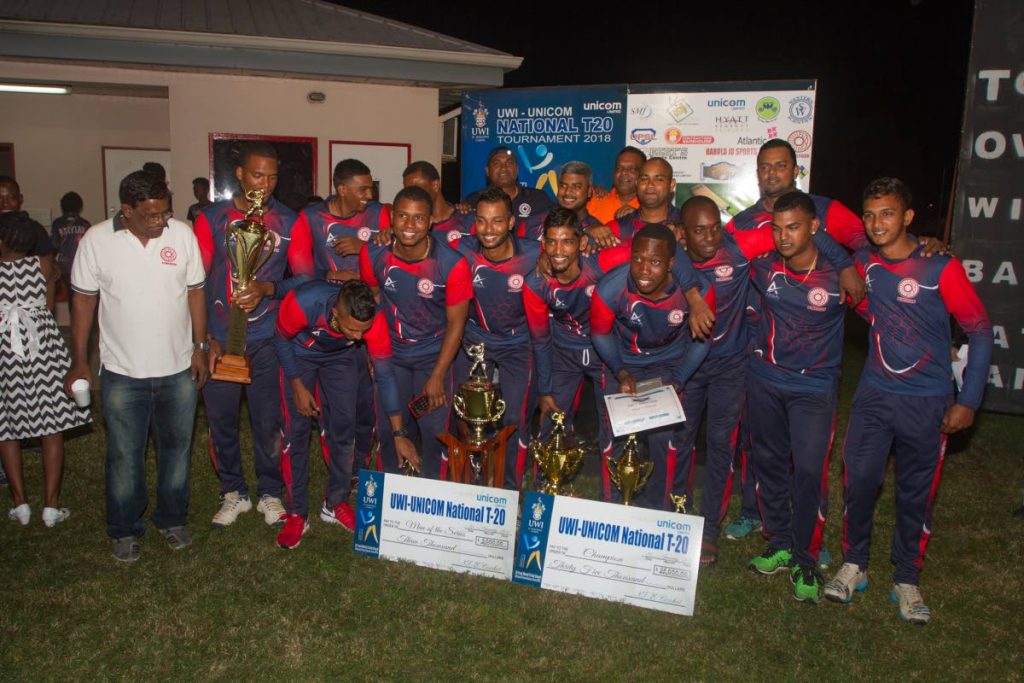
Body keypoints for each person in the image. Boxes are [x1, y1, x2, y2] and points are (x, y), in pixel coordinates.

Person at [824, 178, 993, 624]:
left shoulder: (939, 266)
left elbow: (979, 329)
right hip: (875, 395)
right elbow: (829, 253)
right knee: (859, 479)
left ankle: (907, 578)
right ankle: (854, 563)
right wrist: (845, 271)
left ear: (908, 218)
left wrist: (969, 399)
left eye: (888, 213)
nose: (878, 223)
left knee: (915, 494)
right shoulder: (863, 263)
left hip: (928, 400)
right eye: (870, 214)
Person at [674, 196, 857, 565]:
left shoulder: (737, 249)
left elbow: (798, 233)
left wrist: (845, 262)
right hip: (684, 367)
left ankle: (709, 527)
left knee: (722, 446)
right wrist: (693, 294)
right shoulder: (669, 252)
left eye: (714, 228)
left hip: (731, 366)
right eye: (698, 231)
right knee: (678, 442)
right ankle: (675, 519)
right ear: (681, 235)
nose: (710, 238)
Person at [66, 171, 208, 561]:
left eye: (165, 212)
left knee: (176, 450)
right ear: (125, 210)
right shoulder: (96, 241)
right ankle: (125, 527)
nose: (161, 221)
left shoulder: (181, 235)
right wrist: (79, 361)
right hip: (123, 373)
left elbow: (195, 291)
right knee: (125, 455)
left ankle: (171, 518)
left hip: (178, 369)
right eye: (151, 215)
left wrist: (199, 348)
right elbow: (83, 303)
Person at [193, 141, 314, 530]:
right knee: (222, 420)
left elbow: (306, 278)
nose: (265, 183)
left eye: (273, 176)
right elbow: (195, 283)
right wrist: (203, 339)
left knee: (268, 421)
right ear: (240, 175)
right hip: (220, 337)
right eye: (258, 174)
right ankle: (233, 491)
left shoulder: (290, 222)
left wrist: (268, 289)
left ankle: (269, 492)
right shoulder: (212, 218)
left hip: (266, 337)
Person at [745, 191, 849, 604]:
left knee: (808, 473)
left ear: (814, 228)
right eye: (777, 227)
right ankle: (779, 541)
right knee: (768, 463)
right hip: (765, 380)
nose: (783, 236)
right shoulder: (765, 266)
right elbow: (726, 247)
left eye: (793, 227)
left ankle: (806, 556)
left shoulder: (841, 278)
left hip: (814, 389)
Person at [273, 279, 415, 549]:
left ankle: (336, 502)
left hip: (339, 358)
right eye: (353, 329)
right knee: (296, 430)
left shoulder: (372, 323)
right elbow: (281, 338)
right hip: (299, 355)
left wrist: (399, 433)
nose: (361, 337)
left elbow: (385, 377)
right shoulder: (305, 302)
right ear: (336, 314)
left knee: (344, 426)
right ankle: (296, 512)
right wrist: (296, 384)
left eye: (365, 331)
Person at [591, 223, 714, 510]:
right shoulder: (610, 288)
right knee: (612, 439)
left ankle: (662, 511)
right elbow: (599, 333)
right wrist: (620, 371)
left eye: (656, 262)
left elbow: (702, 341)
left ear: (672, 264)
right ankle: (610, 510)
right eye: (638, 259)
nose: (644, 269)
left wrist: (679, 379)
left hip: (669, 365)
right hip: (621, 362)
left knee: (666, 441)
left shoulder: (699, 292)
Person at [359, 186, 471, 479]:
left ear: (431, 221)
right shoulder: (374, 254)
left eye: (419, 218)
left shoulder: (452, 265)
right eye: (403, 217)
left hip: (432, 359)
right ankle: (389, 501)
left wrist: (437, 376)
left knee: (434, 431)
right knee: (388, 429)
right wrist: (374, 354)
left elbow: (456, 323)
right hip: (392, 357)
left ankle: (431, 499)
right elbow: (373, 303)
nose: (410, 226)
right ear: (391, 218)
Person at [293, 158, 387, 477]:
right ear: (341, 188)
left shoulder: (380, 214)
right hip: (332, 330)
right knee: (337, 409)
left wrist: (364, 249)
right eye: (362, 189)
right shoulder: (310, 218)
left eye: (371, 187)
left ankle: (362, 464)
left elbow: (400, 257)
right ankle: (339, 465)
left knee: (369, 403)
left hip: (373, 324)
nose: (369, 194)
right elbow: (302, 277)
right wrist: (332, 279)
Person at [1, 212, 89, 526]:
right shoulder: (43, 266)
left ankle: (20, 504)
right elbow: (49, 306)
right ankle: (51, 506)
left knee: (6, 428)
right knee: (51, 427)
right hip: (43, 351)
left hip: (6, 354)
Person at [450, 187, 540, 490]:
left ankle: (509, 488)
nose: (488, 230)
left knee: (514, 417)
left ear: (512, 222)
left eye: (497, 221)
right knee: (463, 410)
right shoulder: (461, 249)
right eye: (482, 221)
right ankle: (469, 476)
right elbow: (416, 237)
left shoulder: (534, 253)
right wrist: (380, 235)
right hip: (474, 340)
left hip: (518, 344)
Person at [0, 176, 57, 309]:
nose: (4, 203)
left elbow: (49, 264)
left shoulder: (33, 228)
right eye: (0, 198)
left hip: (31, 303)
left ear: (20, 199)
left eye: (11, 198)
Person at [462, 146, 554, 223]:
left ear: (517, 170)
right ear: (487, 171)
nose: (504, 168)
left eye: (509, 163)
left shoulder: (539, 199)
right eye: (497, 163)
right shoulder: (474, 201)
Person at [520, 161, 604, 242]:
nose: (567, 192)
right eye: (563, 186)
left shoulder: (599, 233)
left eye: (576, 187)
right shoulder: (531, 224)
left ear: (589, 191)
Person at [402, 160, 472, 244]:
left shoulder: (468, 220)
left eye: (417, 188)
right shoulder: (412, 228)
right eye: (408, 191)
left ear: (435, 185)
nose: (413, 195)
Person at [586, 146, 645, 224]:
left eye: (632, 169)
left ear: (643, 174)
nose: (624, 172)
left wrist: (640, 218)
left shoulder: (650, 206)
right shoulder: (594, 200)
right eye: (619, 168)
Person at [50, 191, 90, 296]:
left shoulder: (57, 223)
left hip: (64, 266)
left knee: (68, 293)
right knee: (80, 293)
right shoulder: (85, 224)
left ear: (62, 206)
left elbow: (54, 245)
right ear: (80, 207)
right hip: (81, 264)